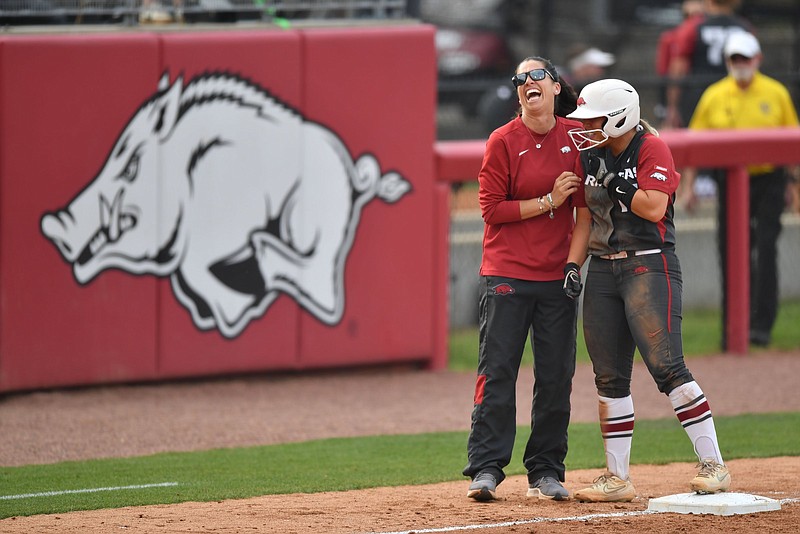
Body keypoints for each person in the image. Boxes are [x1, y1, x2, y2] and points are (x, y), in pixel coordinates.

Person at [562, 78, 730, 502]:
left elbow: (654, 205)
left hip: (648, 263)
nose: (588, 127)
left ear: (619, 116)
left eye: (596, 118)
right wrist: (571, 265)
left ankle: (714, 465)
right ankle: (616, 477)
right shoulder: (592, 156)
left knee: (667, 366)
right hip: (602, 268)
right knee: (609, 377)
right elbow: (585, 219)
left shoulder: (651, 147)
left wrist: (618, 181)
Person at [463, 56, 583, 502]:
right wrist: (549, 201)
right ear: (518, 93)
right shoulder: (502, 141)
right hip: (507, 274)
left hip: (556, 277)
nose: (528, 82)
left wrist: (573, 265)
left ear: (554, 87)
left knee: (555, 377)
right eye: (520, 78)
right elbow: (491, 209)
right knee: (498, 373)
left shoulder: (575, 138)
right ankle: (487, 468)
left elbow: (585, 213)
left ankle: (547, 469)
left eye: (537, 75)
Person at [681, 31, 800, 348]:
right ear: (727, 62)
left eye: (745, 58)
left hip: (768, 179)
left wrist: (792, 184)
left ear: (757, 59)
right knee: (731, 250)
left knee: (766, 248)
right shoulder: (715, 95)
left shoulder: (775, 93)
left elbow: (791, 142)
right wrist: (689, 187)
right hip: (730, 181)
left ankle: (762, 326)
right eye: (734, 59)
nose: (740, 64)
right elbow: (693, 144)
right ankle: (733, 327)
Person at [663, 0, 752, 129]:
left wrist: (672, 107)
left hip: (698, 96)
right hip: (735, 96)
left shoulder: (693, 27)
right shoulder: (744, 28)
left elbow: (678, 70)